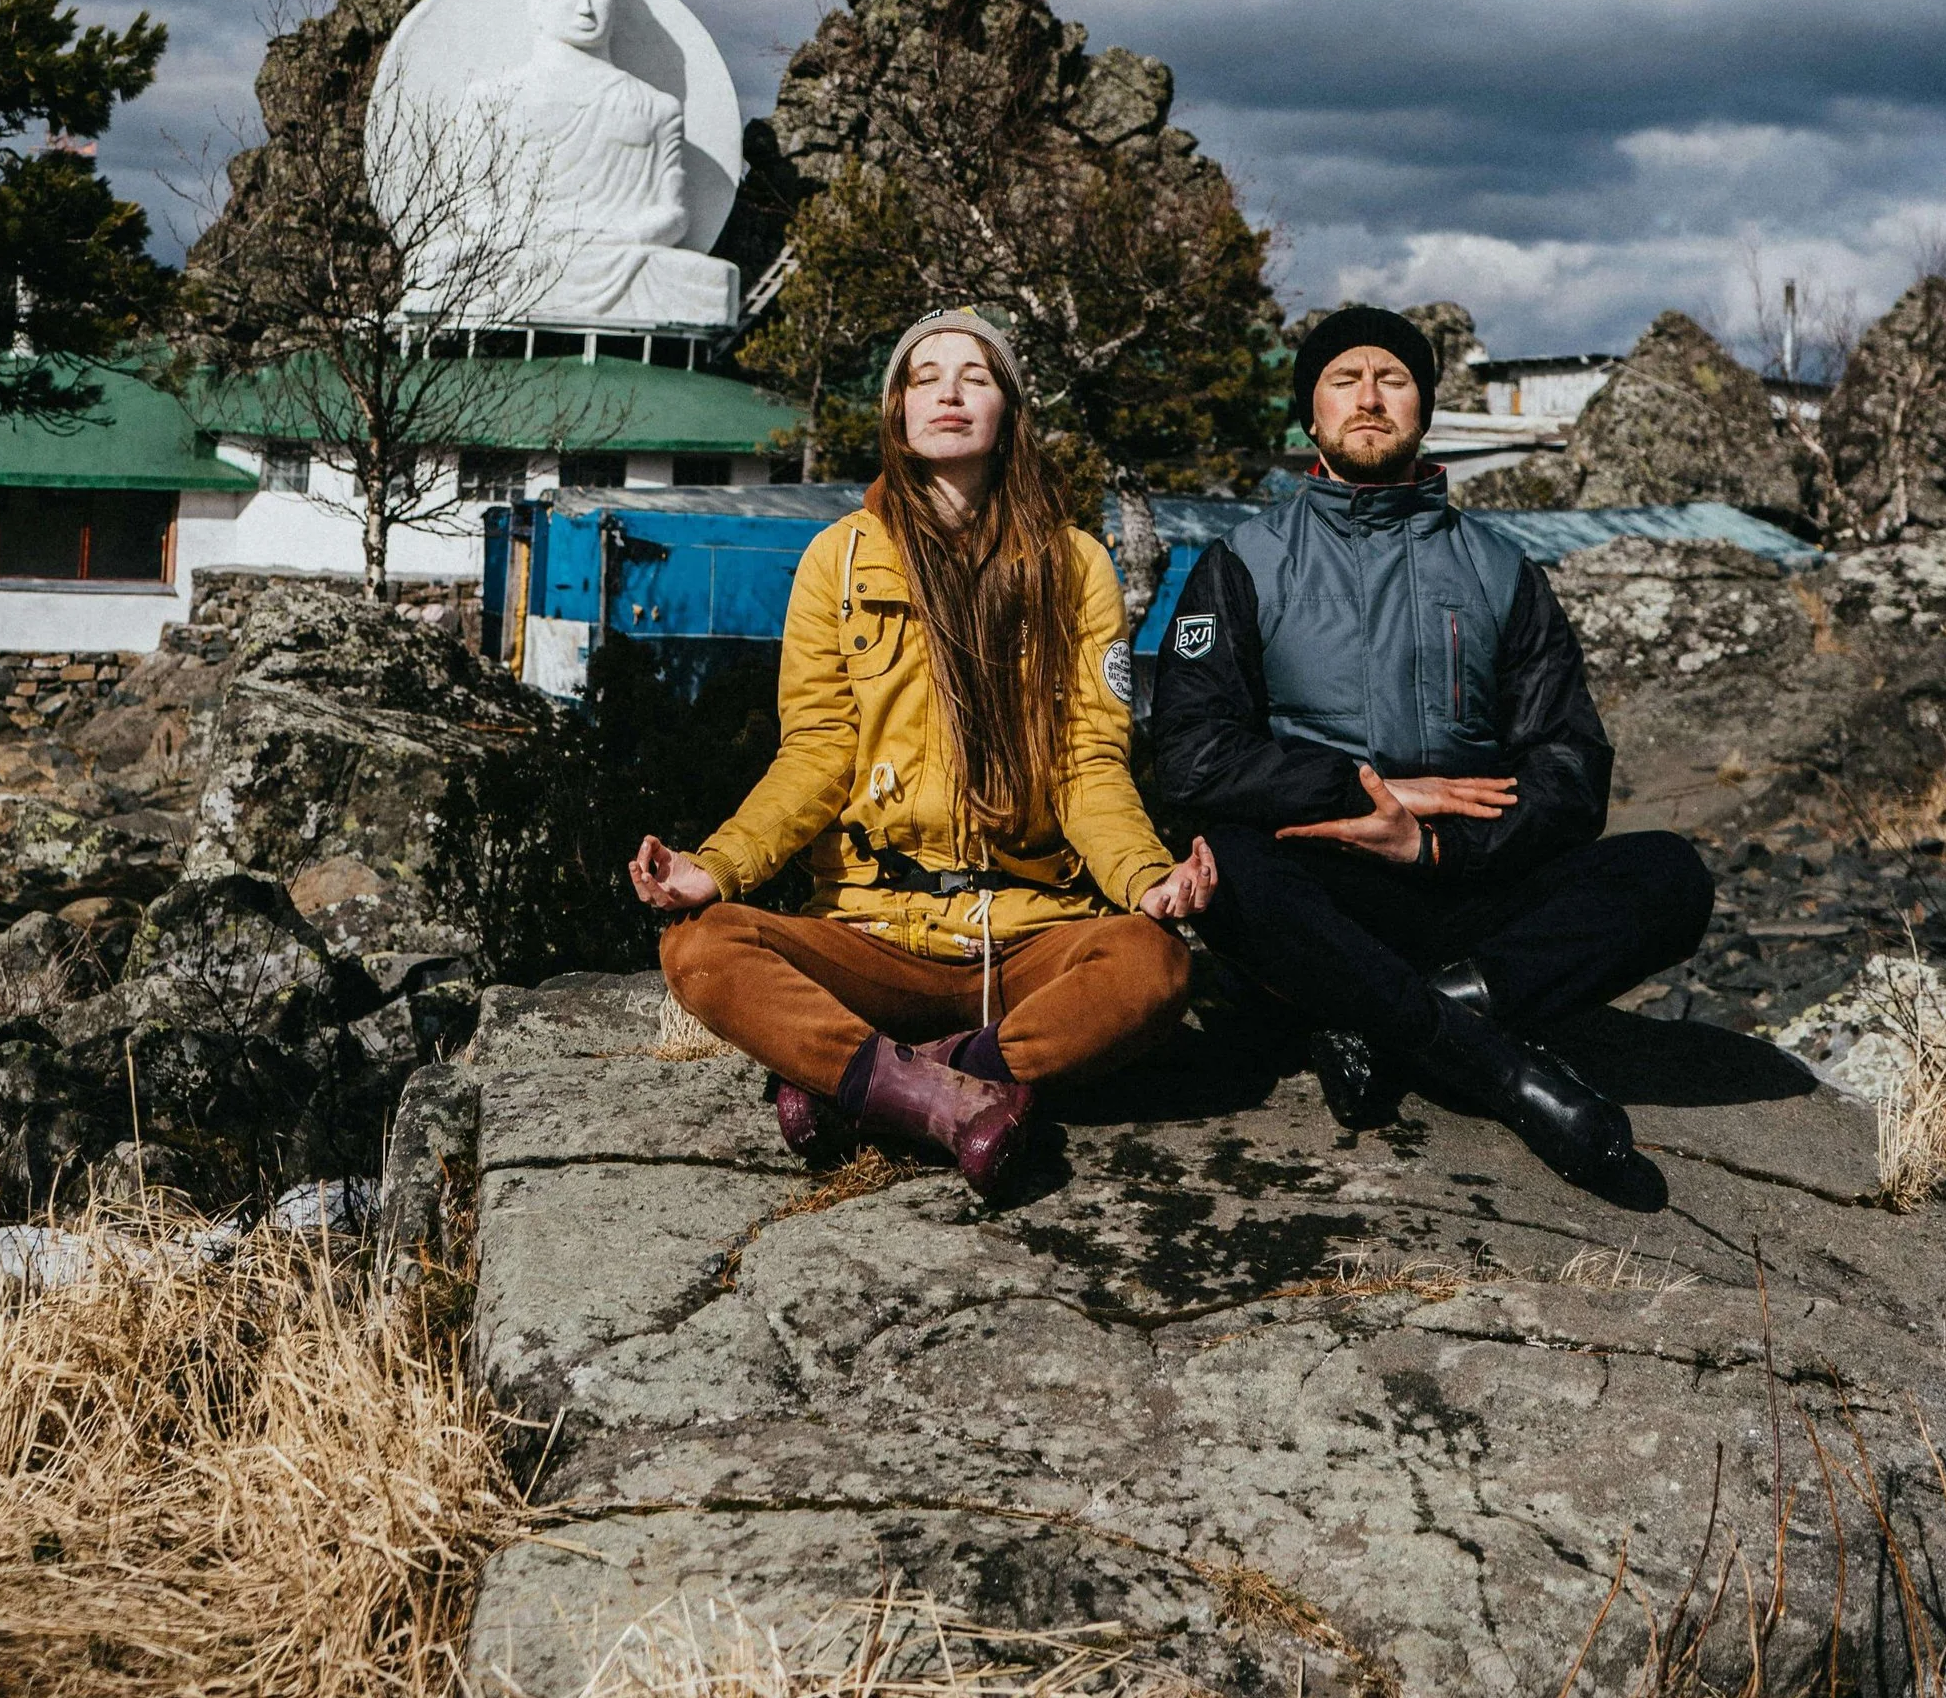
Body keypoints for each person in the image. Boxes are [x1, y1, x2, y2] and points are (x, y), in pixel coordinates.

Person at [631, 307, 1207, 1196]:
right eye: (924, 376)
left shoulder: (1076, 565)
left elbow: (1091, 765)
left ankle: (886, 1078)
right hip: (871, 930)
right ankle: (941, 1090)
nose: (948, 392)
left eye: (975, 377)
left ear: (1009, 410)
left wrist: (1144, 878)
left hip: (1028, 933)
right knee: (699, 948)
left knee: (1154, 963)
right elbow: (816, 754)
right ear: (896, 411)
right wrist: (718, 866)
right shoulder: (838, 559)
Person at [1151, 304, 1713, 1205]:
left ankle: (1389, 1019)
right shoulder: (1245, 562)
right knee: (1238, 873)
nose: (1368, 398)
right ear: (1312, 414)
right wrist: (1367, 798)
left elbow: (1570, 767)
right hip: (1323, 881)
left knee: (1670, 874)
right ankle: (1502, 1072)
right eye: (1345, 380)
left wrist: (1432, 846)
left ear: (1424, 409)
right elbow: (1189, 754)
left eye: (1393, 379)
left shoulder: (1499, 569)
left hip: (1471, 883)